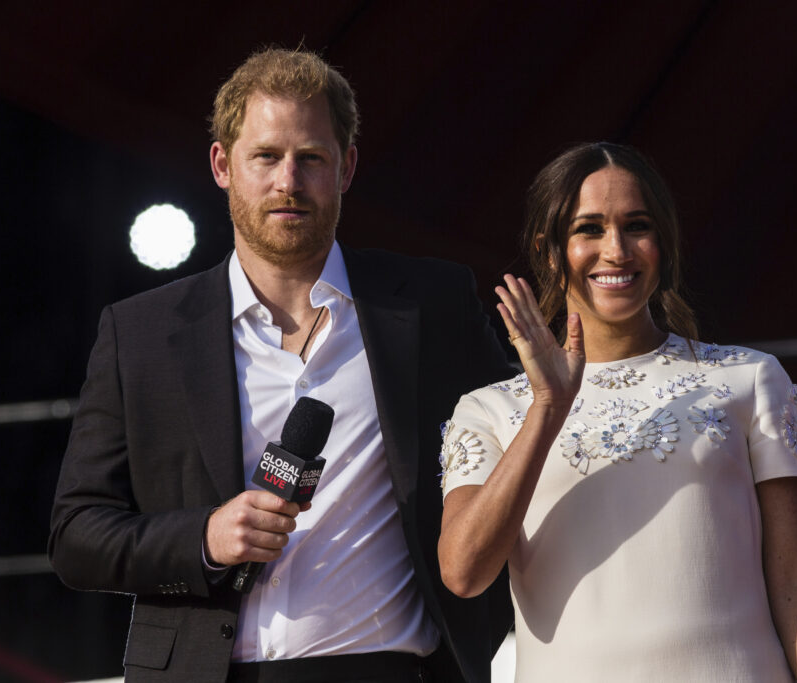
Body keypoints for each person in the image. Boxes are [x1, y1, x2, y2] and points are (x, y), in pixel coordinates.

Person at [49, 47, 513, 683]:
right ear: (223, 165)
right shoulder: (142, 333)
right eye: (266, 156)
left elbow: (526, 448)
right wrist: (205, 539)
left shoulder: (432, 308)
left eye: (311, 158)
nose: (288, 182)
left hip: (393, 669)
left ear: (346, 167)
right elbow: (76, 536)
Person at [437, 142, 797, 682]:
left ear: (664, 241)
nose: (616, 250)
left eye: (636, 225)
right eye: (588, 229)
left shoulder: (748, 379)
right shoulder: (489, 410)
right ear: (549, 248)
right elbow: (464, 572)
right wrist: (549, 407)